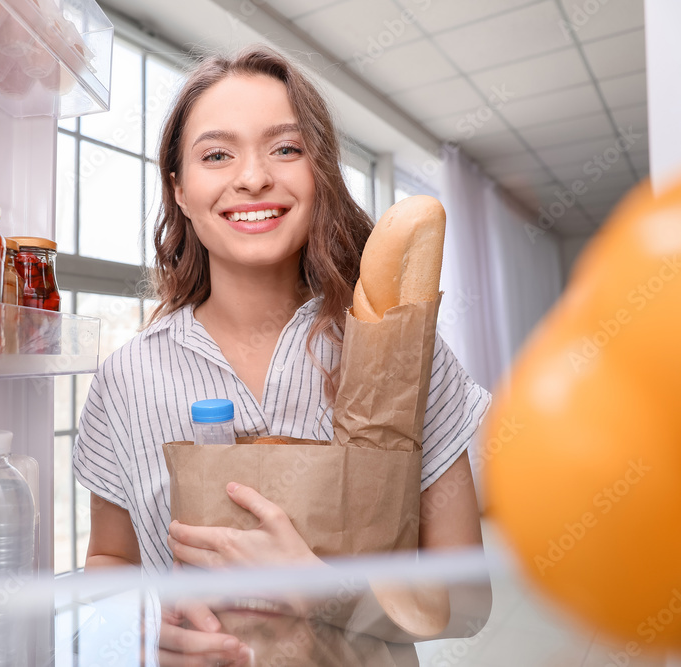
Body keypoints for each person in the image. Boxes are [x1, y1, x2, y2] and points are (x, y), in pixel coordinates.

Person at [72, 45, 491, 665]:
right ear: (180, 190)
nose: (252, 177)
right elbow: (108, 562)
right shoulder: (124, 378)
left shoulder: (404, 355)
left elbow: (469, 601)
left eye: (286, 148)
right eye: (216, 154)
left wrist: (327, 590)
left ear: (319, 171)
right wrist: (135, 618)